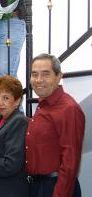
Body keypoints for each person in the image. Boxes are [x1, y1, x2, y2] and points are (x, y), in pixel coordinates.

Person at [26, 53, 85, 197]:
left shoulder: (68, 108)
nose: (38, 80)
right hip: (36, 187)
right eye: (34, 74)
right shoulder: (43, 105)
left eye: (45, 74)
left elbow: (70, 163)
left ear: (59, 77)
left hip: (55, 188)